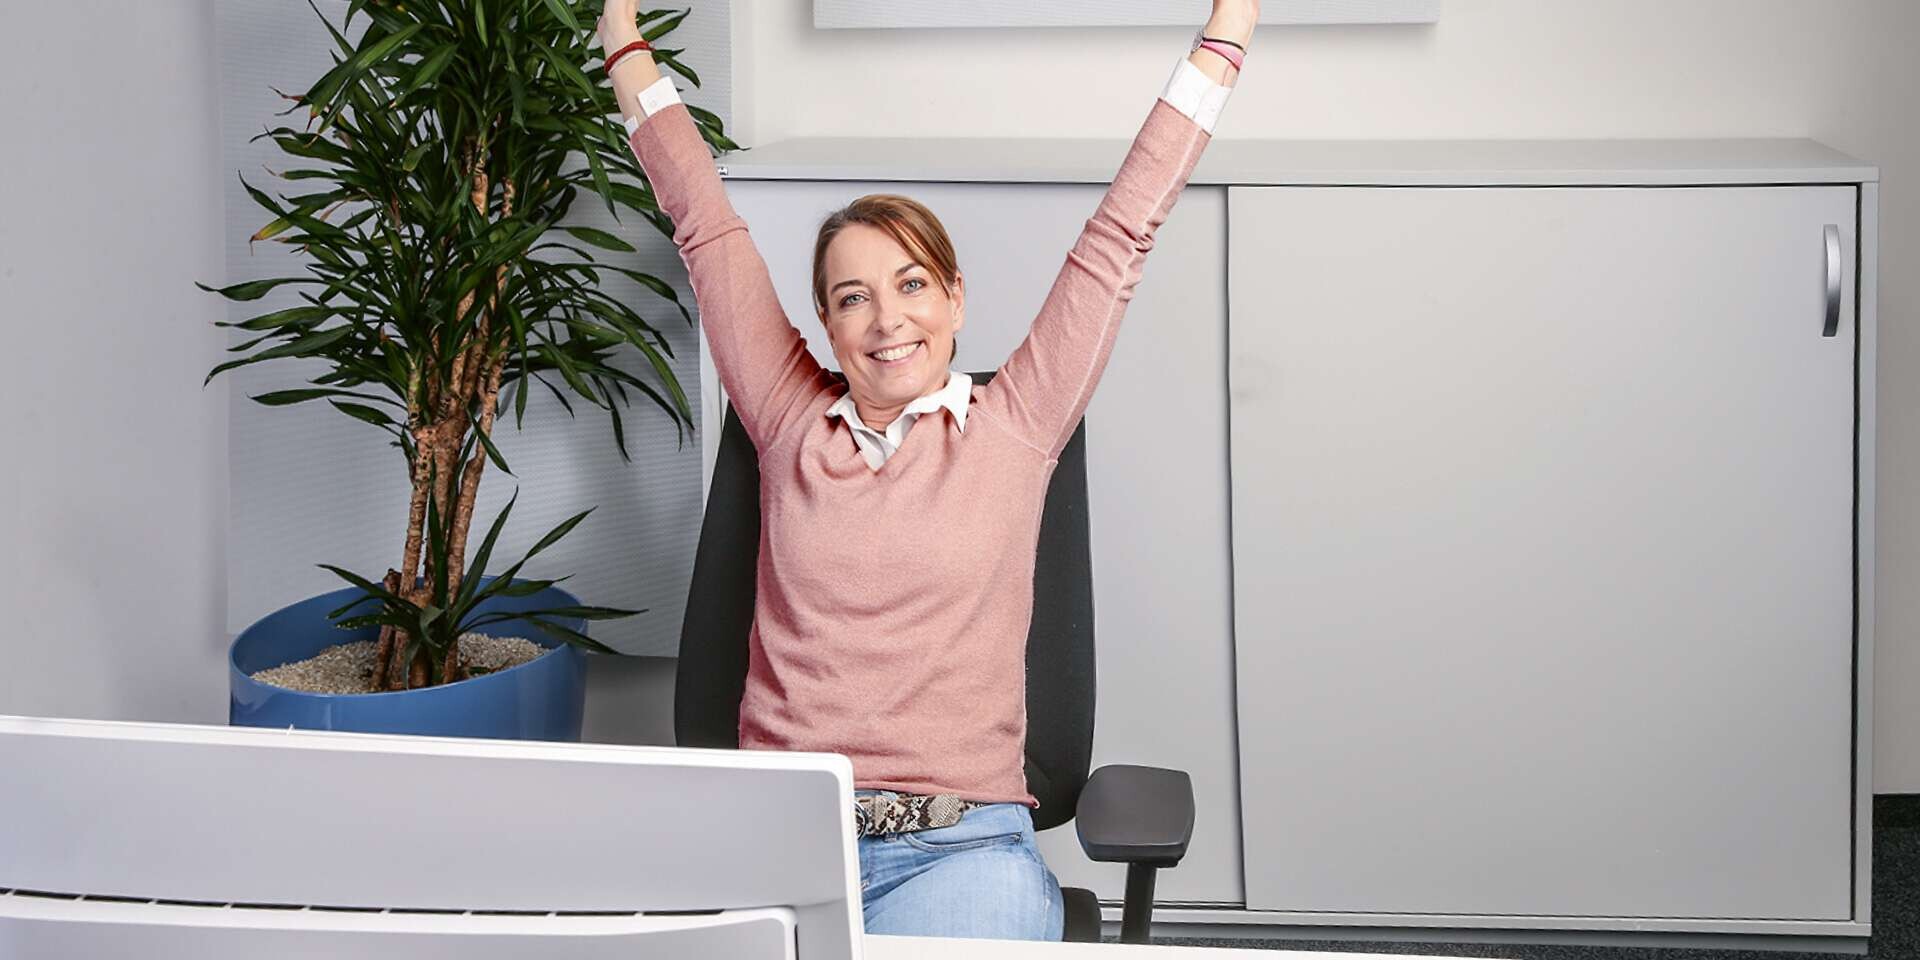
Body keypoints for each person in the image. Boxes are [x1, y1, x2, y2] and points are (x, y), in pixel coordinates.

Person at [600, 0, 1258, 941]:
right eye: (853, 297)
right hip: (775, 842)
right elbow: (701, 220)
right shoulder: (789, 419)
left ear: (955, 298)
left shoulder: (1018, 424)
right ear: (825, 326)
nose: (887, 319)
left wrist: (1225, 36)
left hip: (959, 851)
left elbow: (1122, 234)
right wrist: (621, 38)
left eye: (912, 285)